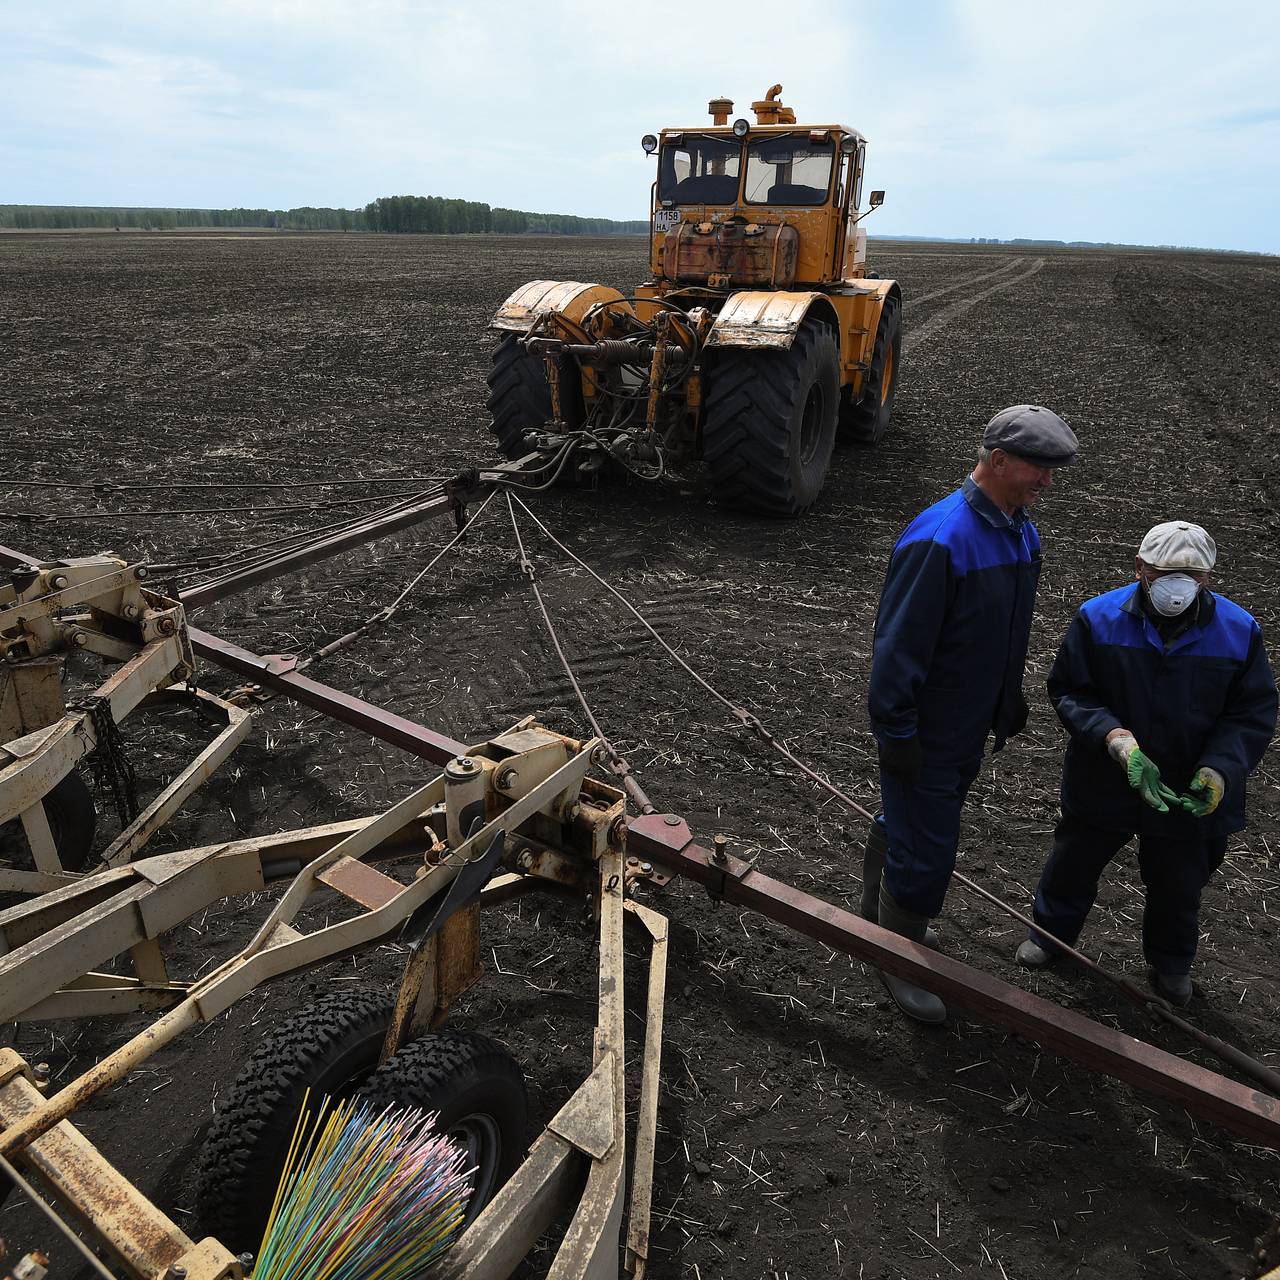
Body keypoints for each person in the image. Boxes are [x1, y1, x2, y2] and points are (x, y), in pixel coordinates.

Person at [864, 404, 1079, 1023]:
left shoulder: (1017, 529)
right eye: (1039, 468)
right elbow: (898, 645)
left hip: (968, 722)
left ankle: (878, 911)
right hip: (928, 728)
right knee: (928, 849)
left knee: (914, 823)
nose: (1047, 481)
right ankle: (896, 954)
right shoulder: (942, 539)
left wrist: (1004, 699)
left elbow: (1002, 631)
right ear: (999, 460)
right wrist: (897, 730)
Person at [1016, 521, 1277, 1004]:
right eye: (1164, 573)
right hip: (1106, 777)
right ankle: (1051, 935)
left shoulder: (1239, 632)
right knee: (1075, 859)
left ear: (1208, 579)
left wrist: (1219, 769)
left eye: (1192, 576)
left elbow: (1252, 713)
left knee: (1179, 881)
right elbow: (1071, 689)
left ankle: (1171, 962)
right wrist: (1117, 741)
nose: (1179, 586)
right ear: (1140, 568)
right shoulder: (1098, 619)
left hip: (1186, 788)